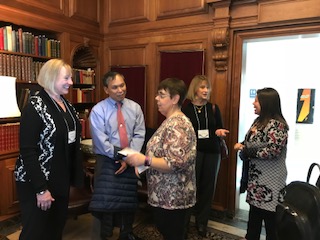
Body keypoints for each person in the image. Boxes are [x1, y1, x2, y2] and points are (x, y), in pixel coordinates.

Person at [14, 59, 84, 240]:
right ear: (51, 77)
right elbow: (28, 151)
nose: (71, 82)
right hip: (37, 182)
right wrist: (41, 189)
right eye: (66, 78)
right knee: (35, 231)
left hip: (60, 179)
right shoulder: (34, 107)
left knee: (55, 229)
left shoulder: (67, 105)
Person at [125, 77, 197, 240]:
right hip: (165, 196)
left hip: (174, 198)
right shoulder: (169, 122)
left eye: (161, 95)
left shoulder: (178, 125)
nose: (156, 99)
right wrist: (143, 166)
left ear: (175, 98)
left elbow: (175, 163)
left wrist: (144, 160)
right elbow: (159, 154)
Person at [88, 71, 145, 240]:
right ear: (106, 89)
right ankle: (104, 234)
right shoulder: (98, 110)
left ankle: (126, 233)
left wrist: (128, 158)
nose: (120, 90)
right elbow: (101, 141)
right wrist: (121, 157)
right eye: (115, 87)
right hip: (107, 160)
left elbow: (139, 134)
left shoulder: (135, 108)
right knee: (106, 201)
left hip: (130, 159)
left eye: (122, 85)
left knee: (128, 199)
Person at [234, 87, 289, 240]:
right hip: (256, 182)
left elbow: (273, 151)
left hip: (270, 184)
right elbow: (251, 142)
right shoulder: (258, 122)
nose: (253, 103)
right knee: (254, 222)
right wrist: (242, 145)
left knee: (271, 226)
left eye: (257, 100)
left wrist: (247, 151)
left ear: (266, 103)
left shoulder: (278, 125)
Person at [182, 75, 229, 237]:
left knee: (208, 189)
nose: (206, 90)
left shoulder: (213, 108)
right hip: (193, 153)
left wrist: (219, 132)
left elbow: (219, 128)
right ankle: (185, 222)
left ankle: (202, 223)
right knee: (190, 188)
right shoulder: (186, 109)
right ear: (194, 89)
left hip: (212, 153)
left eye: (207, 87)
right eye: (202, 87)